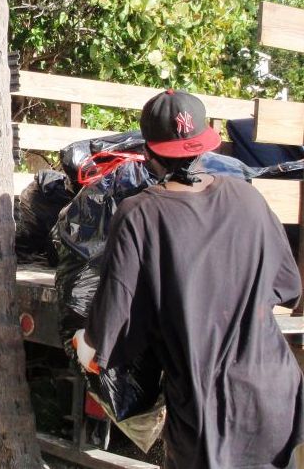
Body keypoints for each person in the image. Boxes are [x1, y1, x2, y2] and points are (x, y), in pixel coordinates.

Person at [73, 89, 304, 468]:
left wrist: (87, 343)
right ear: (205, 146)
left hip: (208, 410)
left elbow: (114, 322)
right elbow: (286, 286)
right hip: (274, 396)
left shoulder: (139, 214)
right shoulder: (247, 197)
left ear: (148, 153)